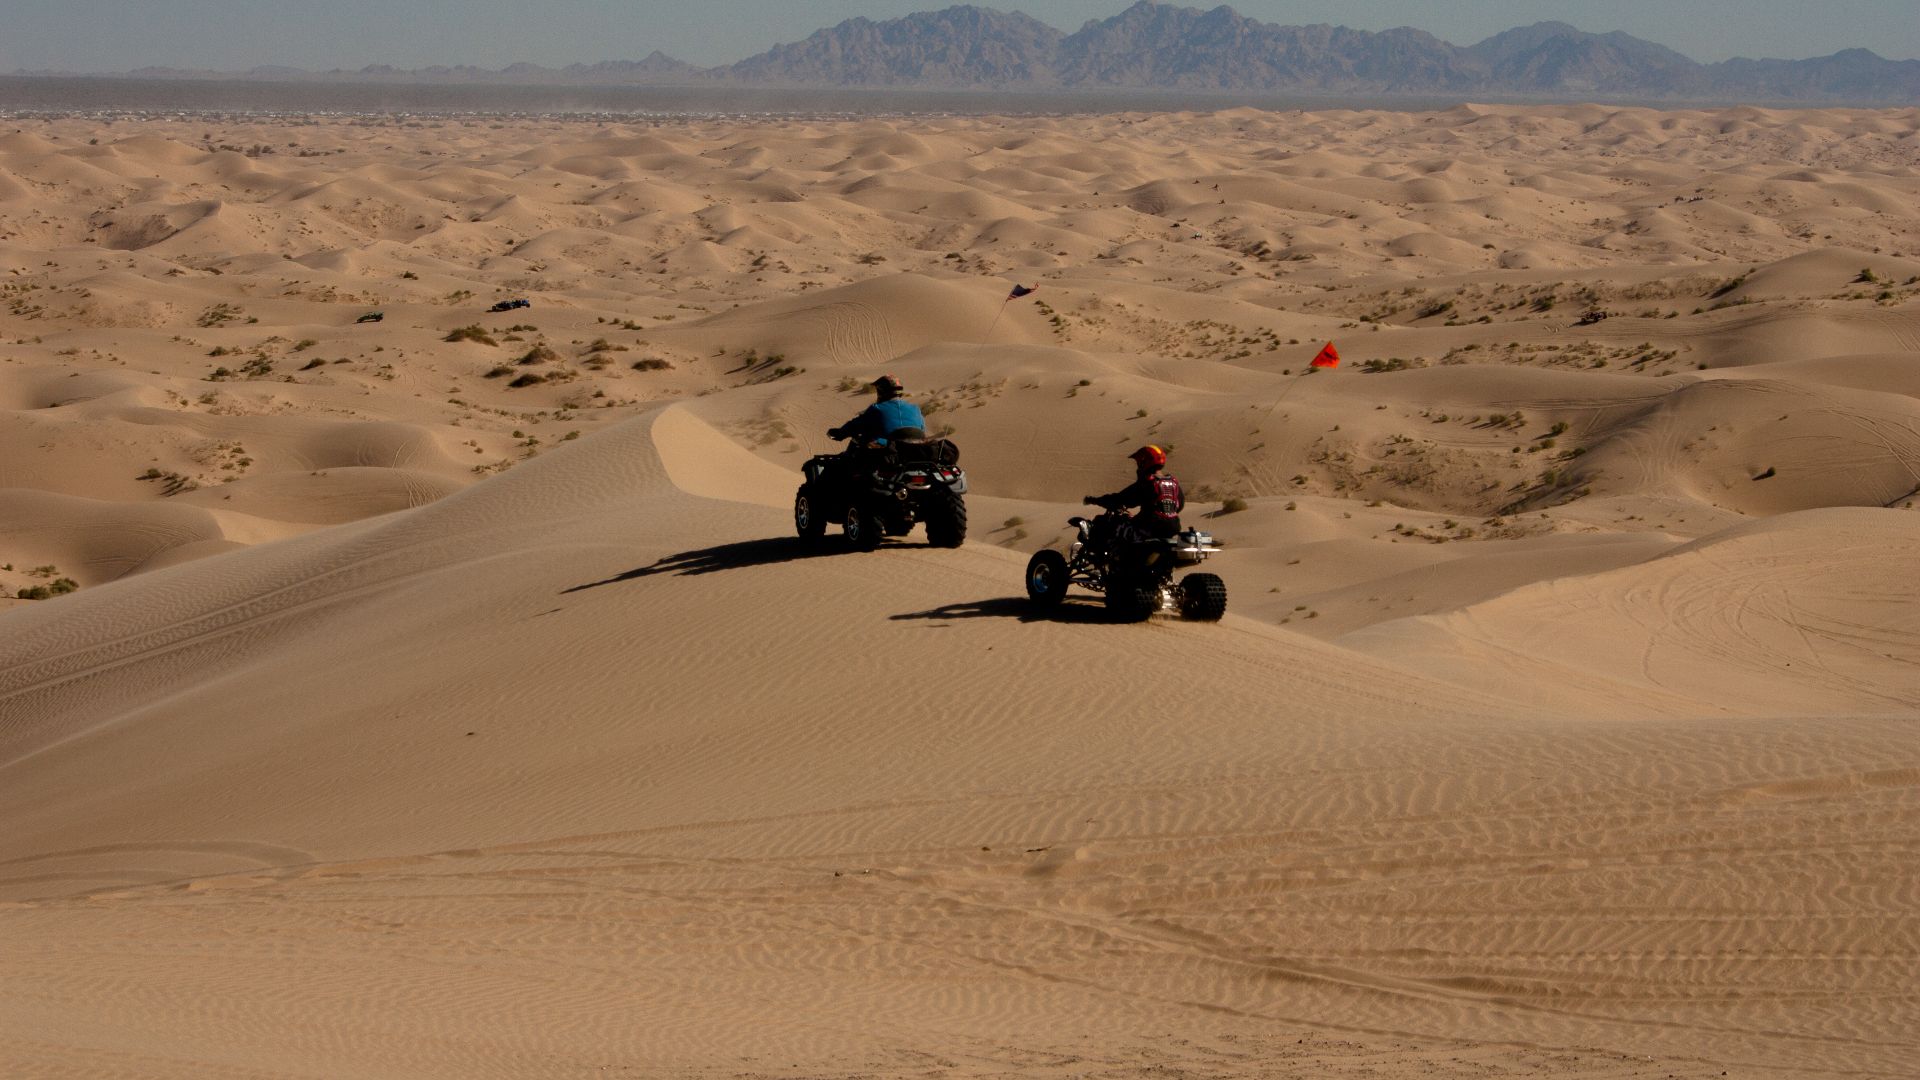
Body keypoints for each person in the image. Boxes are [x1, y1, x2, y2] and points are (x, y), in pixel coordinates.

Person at [1084, 445, 1184, 548]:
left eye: (1138, 463)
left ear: (1143, 462)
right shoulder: (1173, 482)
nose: (1138, 467)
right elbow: (1180, 506)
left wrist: (1095, 500)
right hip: (1173, 527)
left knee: (1113, 529)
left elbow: (1121, 499)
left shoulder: (1147, 483)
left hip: (1148, 528)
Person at [828, 374, 926, 446]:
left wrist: (840, 433)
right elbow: (921, 432)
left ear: (881, 391)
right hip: (914, 456)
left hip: (885, 459)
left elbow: (855, 425)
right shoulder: (916, 409)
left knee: (857, 442)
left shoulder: (877, 409)